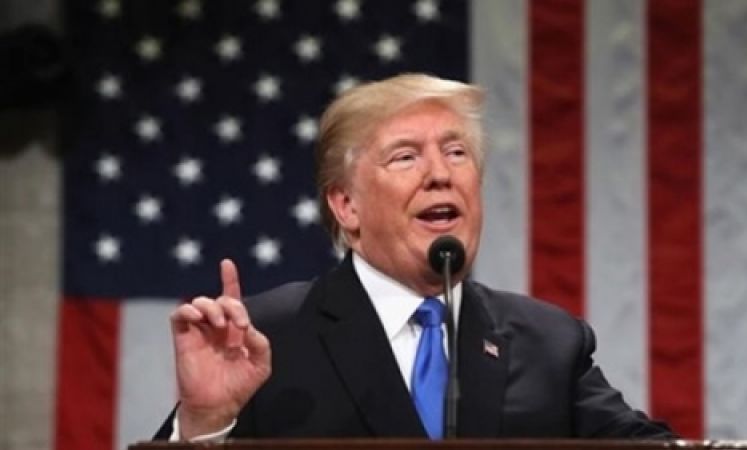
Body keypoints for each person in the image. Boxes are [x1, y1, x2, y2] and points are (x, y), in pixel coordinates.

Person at [155, 73, 674, 441]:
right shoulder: (268, 337)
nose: (440, 174)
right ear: (346, 205)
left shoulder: (547, 342)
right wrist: (205, 425)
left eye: (456, 152)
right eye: (405, 157)